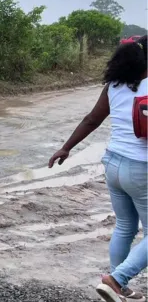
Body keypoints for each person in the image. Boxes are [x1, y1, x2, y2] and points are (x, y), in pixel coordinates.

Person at [48, 35, 147, 302]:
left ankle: (118, 289)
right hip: (142, 168)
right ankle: (117, 280)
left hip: (113, 163)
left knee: (125, 225)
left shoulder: (114, 86)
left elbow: (92, 119)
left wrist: (66, 147)